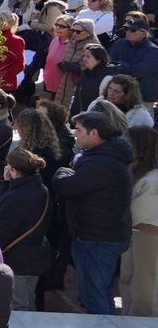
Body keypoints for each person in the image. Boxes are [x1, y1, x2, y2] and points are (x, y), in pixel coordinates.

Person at [53, 110, 134, 315]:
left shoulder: (102, 162)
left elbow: (67, 186)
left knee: (93, 295)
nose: (75, 134)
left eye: (79, 130)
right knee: (101, 291)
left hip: (97, 239)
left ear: (94, 133)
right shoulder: (104, 156)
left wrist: (62, 170)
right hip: (101, 235)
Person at [0, 148, 53, 312]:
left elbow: (3, 229)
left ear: (13, 170)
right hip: (33, 256)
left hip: (19, 261)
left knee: (21, 306)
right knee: (25, 301)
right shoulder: (41, 190)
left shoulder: (16, 198)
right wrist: (7, 184)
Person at [123, 126, 158, 317]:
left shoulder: (153, 179)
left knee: (144, 286)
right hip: (133, 234)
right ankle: (128, 323)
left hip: (148, 236)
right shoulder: (137, 171)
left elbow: (139, 212)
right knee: (128, 280)